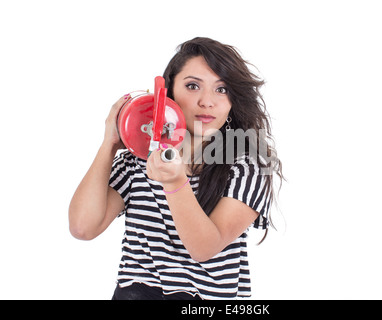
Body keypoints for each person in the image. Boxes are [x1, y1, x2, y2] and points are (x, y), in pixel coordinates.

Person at [69, 37, 283, 300]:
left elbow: (204, 248)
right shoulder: (139, 160)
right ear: (169, 93)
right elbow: (83, 228)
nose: (207, 102)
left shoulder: (249, 166)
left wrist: (174, 183)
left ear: (233, 100)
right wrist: (110, 143)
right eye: (193, 86)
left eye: (222, 89)